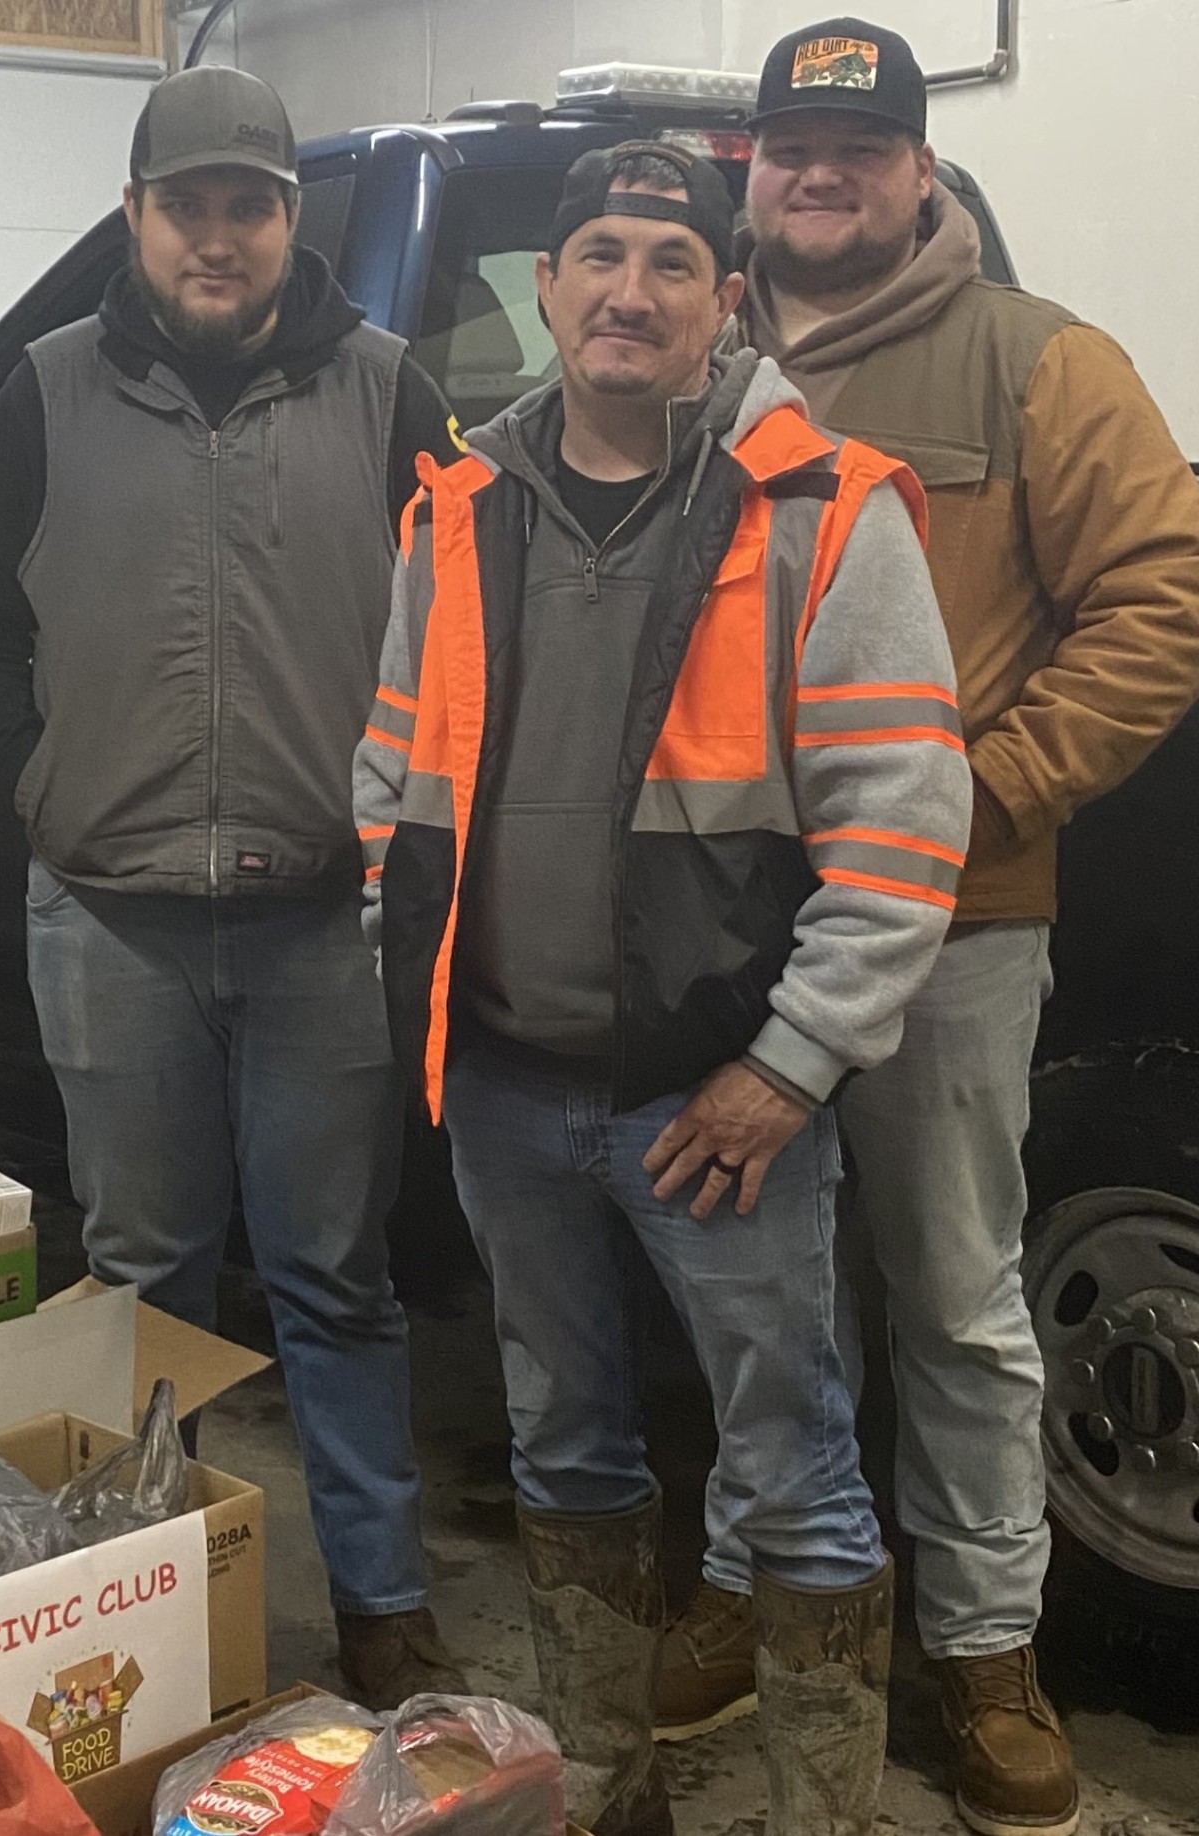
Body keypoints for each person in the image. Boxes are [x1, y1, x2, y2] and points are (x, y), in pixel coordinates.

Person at [355, 139, 970, 1836]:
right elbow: (395, 762)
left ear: (728, 301)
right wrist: (403, 967)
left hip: (719, 1112)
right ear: (543, 289)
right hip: (501, 1089)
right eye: (598, 255)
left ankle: (824, 1815)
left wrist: (792, 1066)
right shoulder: (458, 509)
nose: (630, 291)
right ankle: (608, 1799)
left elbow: (907, 827)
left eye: (673, 264)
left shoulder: (821, 513)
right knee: (564, 1458)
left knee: (795, 1476)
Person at [670, 20, 1199, 1836]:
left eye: (860, 149)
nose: (819, 175)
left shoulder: (1038, 363)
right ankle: (765, 1594)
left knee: (958, 1305)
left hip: (956, 934)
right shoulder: (691, 356)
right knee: (755, 1297)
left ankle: (989, 1658)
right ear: (751, 168)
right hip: (720, 929)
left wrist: (975, 798)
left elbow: (1169, 590)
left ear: (923, 173)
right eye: (790, 147)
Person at [0, 64, 468, 1709]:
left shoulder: (388, 393)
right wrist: (40, 779)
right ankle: (151, 1595)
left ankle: (382, 1602)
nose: (215, 240)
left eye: (250, 207)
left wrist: (401, 829)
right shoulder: (50, 390)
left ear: (292, 219)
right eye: (185, 209)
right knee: (143, 1277)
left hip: (320, 919)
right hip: (113, 916)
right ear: (139, 220)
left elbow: (462, 635)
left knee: (332, 1277)